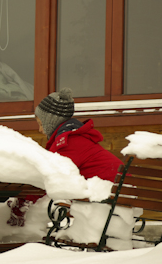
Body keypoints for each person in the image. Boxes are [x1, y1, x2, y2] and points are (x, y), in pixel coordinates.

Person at [7, 87, 123, 226]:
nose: (40, 130)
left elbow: (49, 177)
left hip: (110, 201)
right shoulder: (76, 138)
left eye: (41, 124)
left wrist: (22, 202)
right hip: (119, 195)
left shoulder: (68, 143)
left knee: (55, 208)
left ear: (51, 121)